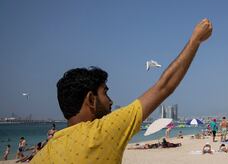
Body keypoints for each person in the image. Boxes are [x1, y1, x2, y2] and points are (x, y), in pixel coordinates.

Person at [31, 19, 212, 163]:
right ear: (91, 100)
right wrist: (195, 39)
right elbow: (164, 87)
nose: (110, 101)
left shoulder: (44, 154)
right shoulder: (102, 132)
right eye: (105, 93)